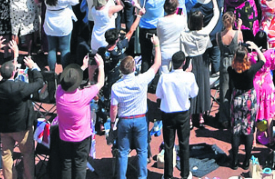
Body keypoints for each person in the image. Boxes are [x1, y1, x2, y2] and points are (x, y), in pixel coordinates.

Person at [109, 39, 161, 179]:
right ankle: (142, 177)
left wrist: (113, 124)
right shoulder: (142, 80)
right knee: (142, 151)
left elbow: (113, 108)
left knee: (122, 151)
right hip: (140, 120)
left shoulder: (116, 87)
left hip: (124, 120)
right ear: (133, 68)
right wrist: (156, 45)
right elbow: (157, 64)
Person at [0, 49, 47, 179]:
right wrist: (33, 67)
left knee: (6, 154)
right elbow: (39, 83)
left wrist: (14, 59)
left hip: (4, 127)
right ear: (13, 73)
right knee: (27, 154)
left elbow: (1, 80)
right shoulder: (20, 88)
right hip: (22, 128)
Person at [55, 56, 104, 179]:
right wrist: (101, 66)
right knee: (80, 165)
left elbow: (67, 81)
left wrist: (82, 67)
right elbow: (100, 83)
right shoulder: (83, 95)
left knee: (66, 164)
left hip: (64, 137)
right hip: (81, 138)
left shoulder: (59, 92)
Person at [154, 50, 198, 179]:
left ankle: (168, 175)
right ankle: (185, 174)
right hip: (183, 114)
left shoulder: (164, 77)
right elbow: (194, 93)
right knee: (184, 143)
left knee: (168, 145)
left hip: (168, 114)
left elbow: (158, 95)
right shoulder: (189, 77)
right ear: (184, 63)